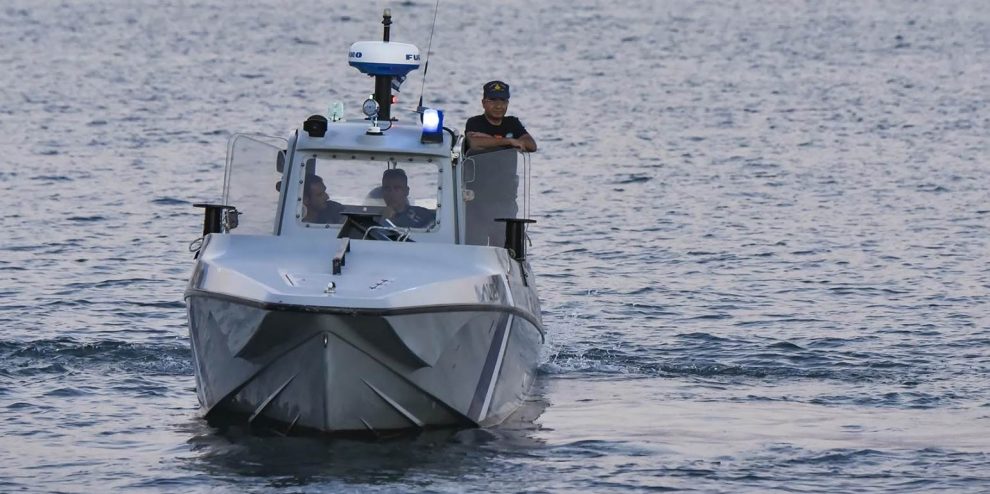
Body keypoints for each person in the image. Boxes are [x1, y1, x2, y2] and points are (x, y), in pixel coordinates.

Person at [464, 80, 538, 153]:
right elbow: (474, 143)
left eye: (503, 100)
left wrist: (489, 140)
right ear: (483, 103)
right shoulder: (475, 122)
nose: (498, 106)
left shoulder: (512, 122)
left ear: (507, 103)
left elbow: (532, 146)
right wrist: (510, 141)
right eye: (493, 100)